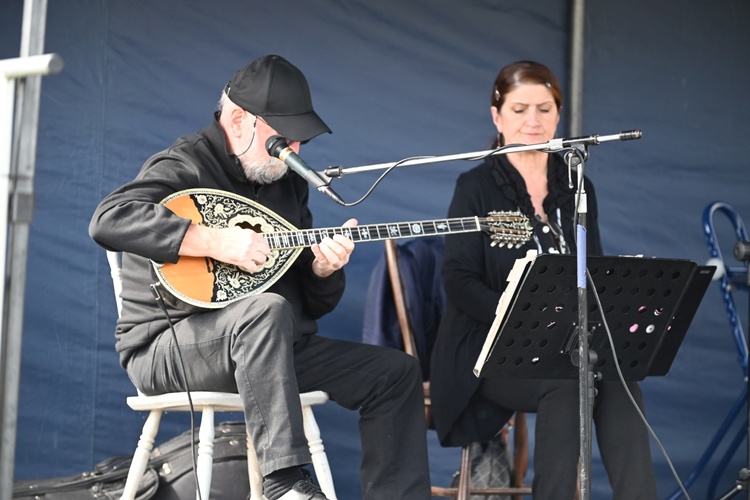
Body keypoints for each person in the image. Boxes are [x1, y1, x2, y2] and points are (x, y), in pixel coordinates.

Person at [89, 54, 431, 500]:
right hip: (167, 346)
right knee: (265, 311)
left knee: (396, 373)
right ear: (237, 120)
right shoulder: (184, 165)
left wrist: (322, 270)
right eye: (282, 140)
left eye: (299, 142)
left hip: (269, 350)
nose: (293, 153)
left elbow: (312, 306)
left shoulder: (288, 184)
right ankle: (284, 482)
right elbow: (108, 220)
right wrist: (211, 241)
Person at [429, 60, 658, 499]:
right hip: (492, 349)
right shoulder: (475, 186)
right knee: (569, 380)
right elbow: (458, 280)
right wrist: (519, 317)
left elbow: (595, 270)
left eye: (544, 108)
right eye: (519, 110)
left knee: (619, 377)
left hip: (569, 342)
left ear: (558, 115)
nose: (533, 121)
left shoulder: (578, 185)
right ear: (497, 116)